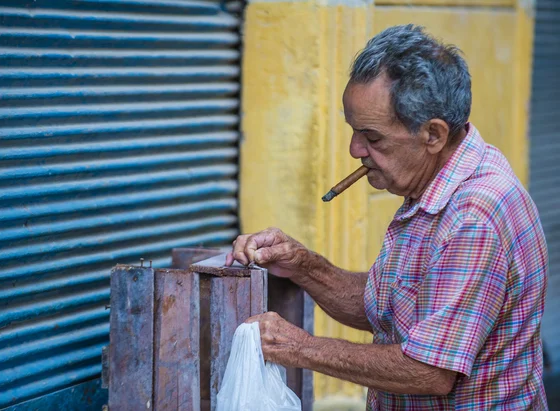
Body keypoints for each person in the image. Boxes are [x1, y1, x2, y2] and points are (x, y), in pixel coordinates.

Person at [226, 24, 549, 410]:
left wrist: (295, 346)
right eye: (353, 131)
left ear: (433, 135)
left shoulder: (474, 215)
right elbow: (395, 310)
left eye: (372, 137)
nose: (354, 149)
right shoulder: (436, 182)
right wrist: (304, 266)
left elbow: (429, 369)